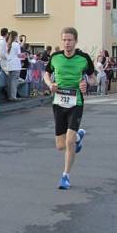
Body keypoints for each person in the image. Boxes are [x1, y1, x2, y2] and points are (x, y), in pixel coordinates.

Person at [43, 27, 95, 190]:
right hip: (58, 102)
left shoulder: (83, 58)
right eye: (64, 40)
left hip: (75, 102)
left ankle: (65, 176)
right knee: (60, 145)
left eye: (70, 40)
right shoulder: (55, 57)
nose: (67, 43)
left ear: (76, 41)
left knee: (69, 141)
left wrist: (87, 84)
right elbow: (46, 74)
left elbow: (93, 78)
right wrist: (50, 84)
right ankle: (79, 137)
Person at [2, 30, 22, 100]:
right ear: (15, 36)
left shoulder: (7, 44)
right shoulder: (16, 44)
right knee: (14, 82)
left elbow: (4, 54)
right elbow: (19, 55)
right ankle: (13, 97)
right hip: (16, 65)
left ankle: (10, 96)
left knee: (10, 81)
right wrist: (24, 56)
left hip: (9, 64)